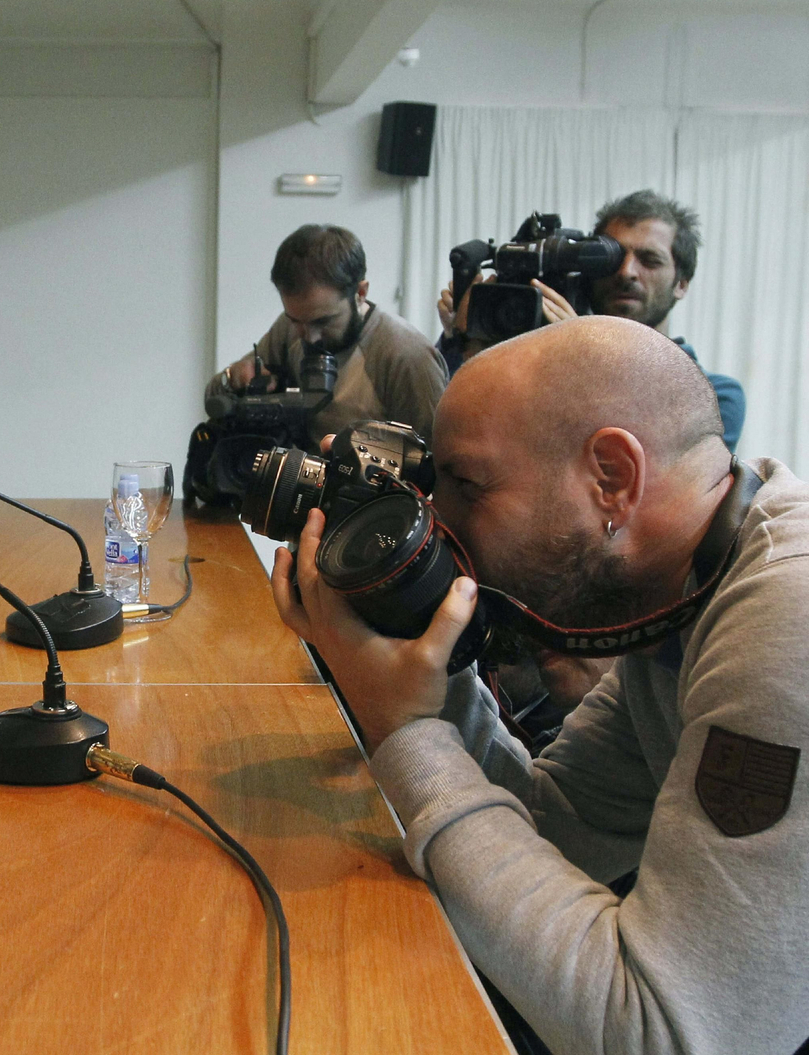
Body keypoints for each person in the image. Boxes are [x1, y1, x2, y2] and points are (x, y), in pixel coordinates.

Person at [273, 316, 809, 1053]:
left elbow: (670, 1036)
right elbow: (555, 827)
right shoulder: (682, 594)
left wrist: (407, 733)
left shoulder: (788, 620)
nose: (437, 521)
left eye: (466, 485)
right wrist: (418, 661)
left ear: (611, 479)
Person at [438, 191, 745, 453]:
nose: (626, 272)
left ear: (682, 283)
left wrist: (584, 360)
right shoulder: (533, 357)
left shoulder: (716, 396)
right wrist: (462, 343)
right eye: (610, 257)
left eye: (650, 260)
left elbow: (646, 475)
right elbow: (449, 432)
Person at [207, 224, 447, 451]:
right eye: (295, 320)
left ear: (361, 293)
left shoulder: (406, 356)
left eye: (323, 322)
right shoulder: (289, 329)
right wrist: (232, 378)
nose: (309, 337)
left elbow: (436, 462)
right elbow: (212, 400)